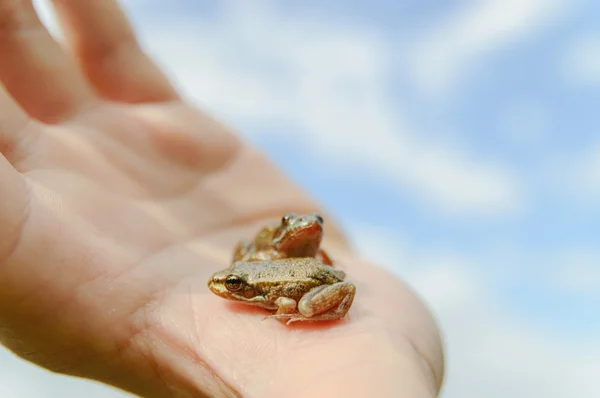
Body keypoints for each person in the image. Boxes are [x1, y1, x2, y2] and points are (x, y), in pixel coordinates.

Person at [0, 1, 444, 397]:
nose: (226, 290)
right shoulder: (266, 251)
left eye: (235, 286)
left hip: (310, 284)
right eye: (234, 282)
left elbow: (292, 296)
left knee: (300, 304)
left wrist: (303, 321)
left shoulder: (277, 286)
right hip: (309, 274)